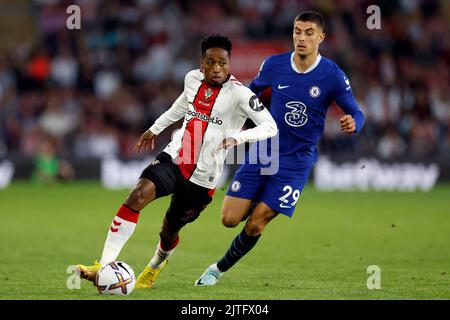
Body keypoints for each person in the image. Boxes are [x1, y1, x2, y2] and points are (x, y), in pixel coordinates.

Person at [76, 35, 277, 288]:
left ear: (230, 63)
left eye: (222, 63)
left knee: (169, 230)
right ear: (201, 63)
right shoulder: (192, 79)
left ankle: (156, 264)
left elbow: (270, 127)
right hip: (175, 157)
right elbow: (182, 105)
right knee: (138, 195)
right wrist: (155, 128)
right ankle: (103, 265)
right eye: (210, 62)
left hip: (203, 178)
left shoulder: (241, 95)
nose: (216, 68)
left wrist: (238, 138)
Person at [195, 11, 365, 286]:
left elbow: (356, 111)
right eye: (298, 31)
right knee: (229, 219)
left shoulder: (332, 74)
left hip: (297, 160)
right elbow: (252, 95)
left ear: (320, 38)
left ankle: (218, 268)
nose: (301, 37)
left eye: (309, 33)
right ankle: (259, 197)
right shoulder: (274, 65)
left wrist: (352, 123)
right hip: (264, 150)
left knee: (256, 223)